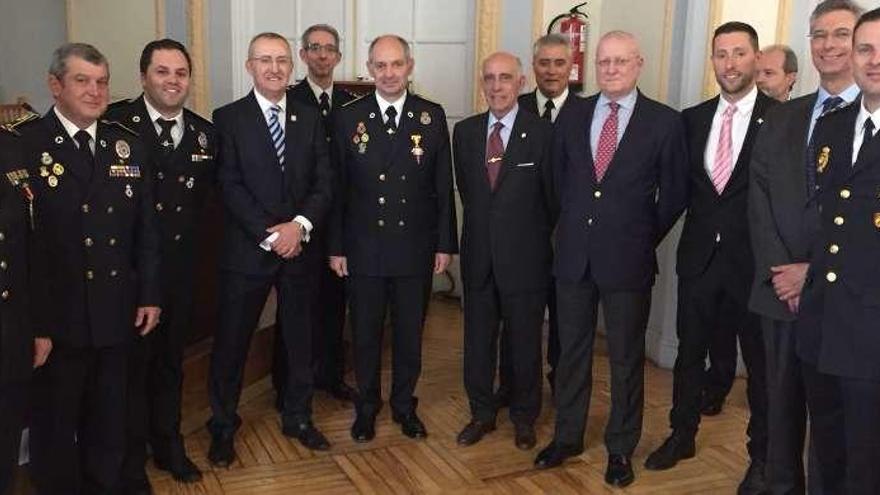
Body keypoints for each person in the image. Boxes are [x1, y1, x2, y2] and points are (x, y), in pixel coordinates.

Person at [534, 31, 688, 489]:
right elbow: (556, 181)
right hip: (574, 258)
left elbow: (675, 194)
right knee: (571, 354)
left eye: (621, 61)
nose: (612, 69)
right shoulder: (574, 114)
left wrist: (638, 234)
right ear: (594, 66)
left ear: (639, 64)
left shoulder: (664, 122)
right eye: (604, 62)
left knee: (624, 359)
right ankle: (567, 436)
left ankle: (620, 448)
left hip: (629, 260)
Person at [25, 42, 162, 494]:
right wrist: (35, 323)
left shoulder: (129, 144)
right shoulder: (25, 146)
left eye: (101, 81)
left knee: (110, 416)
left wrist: (149, 294)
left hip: (115, 309)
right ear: (55, 85)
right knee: (57, 423)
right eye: (82, 80)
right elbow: (24, 249)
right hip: (58, 317)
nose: (95, 90)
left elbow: (146, 231)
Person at [644, 21, 774, 495]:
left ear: (756, 60)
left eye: (739, 53)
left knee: (760, 366)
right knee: (688, 355)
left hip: (754, 266)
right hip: (698, 260)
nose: (730, 63)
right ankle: (682, 436)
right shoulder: (692, 119)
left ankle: (761, 457)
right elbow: (676, 192)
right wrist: (644, 241)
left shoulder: (781, 119)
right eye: (722, 54)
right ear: (713, 61)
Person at [749, 1, 862, 492]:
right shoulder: (782, 117)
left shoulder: (870, 119)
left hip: (843, 301)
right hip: (779, 294)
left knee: (834, 418)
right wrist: (783, 270)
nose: (829, 44)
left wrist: (810, 274)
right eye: (819, 34)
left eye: (842, 34)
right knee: (779, 408)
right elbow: (759, 195)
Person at [207, 31, 334, 467]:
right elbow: (228, 184)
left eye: (282, 60)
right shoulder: (227, 118)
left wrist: (298, 227)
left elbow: (324, 181)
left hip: (299, 250)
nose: (275, 68)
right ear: (250, 66)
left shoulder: (309, 116)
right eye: (265, 60)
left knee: (301, 341)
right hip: (247, 252)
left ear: (291, 66)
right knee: (231, 344)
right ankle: (223, 427)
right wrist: (270, 233)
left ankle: (298, 417)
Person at [329, 34, 457, 443]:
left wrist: (444, 244)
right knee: (365, 334)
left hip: (413, 248)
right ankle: (367, 407)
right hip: (363, 248)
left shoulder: (430, 116)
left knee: (408, 335)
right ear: (370, 68)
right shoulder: (350, 117)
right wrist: (336, 246)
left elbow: (442, 185)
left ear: (409, 66)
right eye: (380, 65)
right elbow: (337, 190)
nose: (388, 73)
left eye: (396, 64)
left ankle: (404, 405)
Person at [104, 38, 215, 491]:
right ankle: (130, 463)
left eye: (181, 73)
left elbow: (209, 209)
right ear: (144, 75)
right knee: (131, 373)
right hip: (128, 279)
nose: (173, 81)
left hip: (181, 277)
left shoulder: (205, 134)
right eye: (163, 72)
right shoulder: (115, 125)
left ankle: (168, 445)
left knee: (171, 364)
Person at [796, 7, 880, 494]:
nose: (873, 60)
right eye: (865, 48)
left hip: (873, 331)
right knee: (826, 448)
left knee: (867, 461)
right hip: (823, 322)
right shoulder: (832, 125)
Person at [453, 51, 554, 450]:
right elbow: (471, 194)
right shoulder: (466, 132)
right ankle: (481, 413)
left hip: (526, 261)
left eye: (505, 78)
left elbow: (553, 201)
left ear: (522, 82)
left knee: (525, 342)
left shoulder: (543, 133)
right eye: (490, 78)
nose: (497, 86)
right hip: (478, 257)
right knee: (477, 341)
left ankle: (524, 417)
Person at [273, 23, 357, 407]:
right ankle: (286, 382)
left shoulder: (354, 104)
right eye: (314, 48)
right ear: (303, 55)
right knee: (295, 306)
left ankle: (332, 375)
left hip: (339, 221)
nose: (322, 55)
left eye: (329, 49)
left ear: (338, 57)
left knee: (334, 302)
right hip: (299, 220)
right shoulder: (289, 99)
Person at [496, 33, 573, 406]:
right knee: (516, 324)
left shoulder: (587, 111)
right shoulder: (514, 105)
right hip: (521, 245)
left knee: (565, 322)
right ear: (532, 67)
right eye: (544, 62)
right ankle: (511, 389)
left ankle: (561, 390)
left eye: (560, 62)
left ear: (571, 66)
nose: (552, 70)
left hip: (570, 241)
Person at [0, 109, 41, 495]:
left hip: (12, 323)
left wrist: (39, 327)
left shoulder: (15, 146)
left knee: (6, 430)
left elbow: (32, 246)